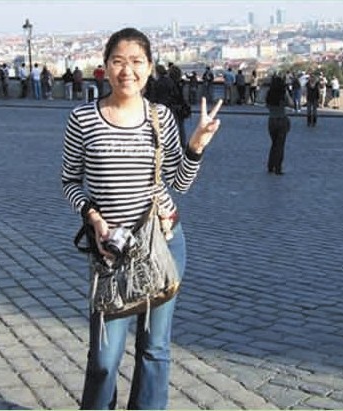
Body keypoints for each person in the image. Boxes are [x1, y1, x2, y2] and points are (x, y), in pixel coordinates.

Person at [61, 27, 223, 410]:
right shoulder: (83, 118)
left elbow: (179, 182)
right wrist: (92, 217)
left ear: (149, 68)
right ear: (105, 67)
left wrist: (196, 146)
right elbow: (69, 181)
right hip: (111, 251)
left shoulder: (160, 117)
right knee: (104, 358)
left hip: (163, 242)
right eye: (118, 61)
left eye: (136, 62)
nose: (127, 70)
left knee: (154, 348)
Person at [266, 74, 292, 175]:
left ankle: (270, 165)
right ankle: (278, 167)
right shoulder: (283, 93)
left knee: (274, 144)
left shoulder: (269, 93)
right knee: (280, 146)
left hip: (271, 120)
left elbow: (265, 104)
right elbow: (291, 104)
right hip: (282, 119)